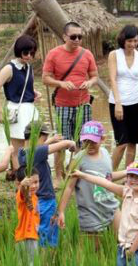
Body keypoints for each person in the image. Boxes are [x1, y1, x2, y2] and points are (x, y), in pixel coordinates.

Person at [73, 161, 138, 266]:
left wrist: (132, 250)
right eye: (131, 176)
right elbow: (104, 183)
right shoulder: (126, 192)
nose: (134, 180)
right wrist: (82, 175)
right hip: (123, 244)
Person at [42, 21, 98, 184]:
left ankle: (76, 173)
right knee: (61, 141)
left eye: (80, 37)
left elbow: (95, 76)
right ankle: (58, 176)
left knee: (83, 140)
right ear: (64, 37)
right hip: (63, 104)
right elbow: (45, 79)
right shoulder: (54, 54)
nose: (77, 40)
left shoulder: (87, 54)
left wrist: (90, 83)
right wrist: (60, 84)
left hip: (83, 103)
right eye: (73, 37)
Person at [57, 121, 123, 251]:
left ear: (102, 139)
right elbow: (69, 187)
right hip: (90, 212)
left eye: (93, 142)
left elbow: (108, 177)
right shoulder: (78, 159)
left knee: (123, 240)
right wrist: (61, 211)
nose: (90, 145)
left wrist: (128, 172)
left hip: (110, 206)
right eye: (86, 142)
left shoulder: (105, 153)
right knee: (91, 250)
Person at [18, 122, 76, 249]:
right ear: (35, 137)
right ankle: (46, 265)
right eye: (43, 139)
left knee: (40, 234)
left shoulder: (22, 152)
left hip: (36, 201)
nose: (45, 142)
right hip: (46, 201)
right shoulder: (36, 152)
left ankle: (39, 261)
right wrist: (71, 144)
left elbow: (39, 146)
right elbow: (65, 144)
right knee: (47, 239)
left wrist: (50, 140)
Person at [0, 35, 41, 173]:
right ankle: (20, 178)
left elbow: (22, 86)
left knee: (31, 144)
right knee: (17, 148)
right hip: (16, 109)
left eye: (32, 53)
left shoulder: (29, 67)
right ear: (19, 51)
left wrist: (34, 92)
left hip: (30, 109)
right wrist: (0, 110)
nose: (29, 56)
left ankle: (27, 173)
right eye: (26, 52)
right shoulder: (9, 68)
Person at [108, 24, 138, 169]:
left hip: (137, 102)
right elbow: (112, 79)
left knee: (132, 142)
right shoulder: (114, 55)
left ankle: (128, 175)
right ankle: (109, 175)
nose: (132, 44)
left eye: (135, 41)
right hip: (118, 103)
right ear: (123, 40)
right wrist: (118, 103)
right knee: (121, 142)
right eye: (129, 41)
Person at [14, 166, 40, 266]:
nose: (34, 185)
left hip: (33, 235)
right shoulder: (24, 196)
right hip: (25, 236)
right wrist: (22, 186)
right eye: (30, 183)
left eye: (36, 182)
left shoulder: (35, 197)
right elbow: (21, 193)